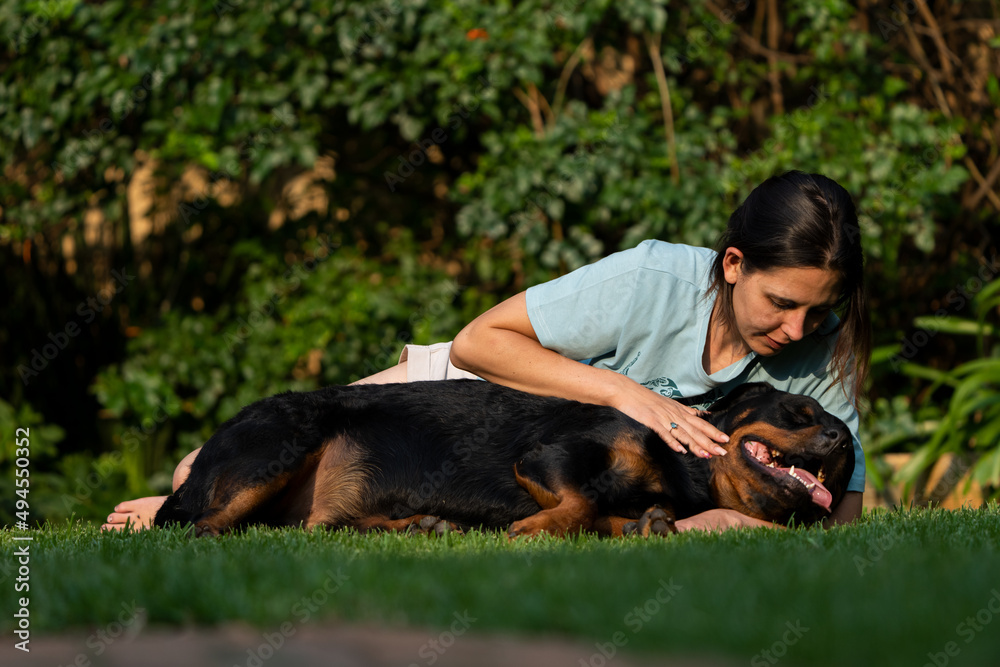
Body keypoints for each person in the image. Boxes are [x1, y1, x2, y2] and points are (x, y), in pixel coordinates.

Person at [104, 170, 869, 532]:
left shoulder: (818, 357)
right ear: (734, 264)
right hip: (489, 382)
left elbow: (843, 513)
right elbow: (480, 340)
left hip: (552, 445)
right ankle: (176, 507)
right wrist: (626, 392)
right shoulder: (651, 278)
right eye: (782, 303)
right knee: (204, 475)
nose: (796, 331)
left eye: (819, 311)